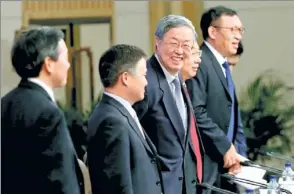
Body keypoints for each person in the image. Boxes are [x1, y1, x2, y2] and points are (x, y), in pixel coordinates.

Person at [1, 26, 84, 194]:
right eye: (65, 57)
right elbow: (61, 180)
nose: (68, 65)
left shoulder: (4, 104)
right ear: (49, 64)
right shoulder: (48, 113)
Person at [133, 15, 204, 194]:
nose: (180, 51)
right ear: (157, 41)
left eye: (187, 45)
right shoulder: (145, 81)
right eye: (174, 43)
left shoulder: (177, 77)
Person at [87, 44, 164, 194]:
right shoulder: (112, 121)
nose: (146, 82)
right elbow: (116, 186)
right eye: (143, 75)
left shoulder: (120, 112)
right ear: (126, 78)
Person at [186, 6, 247, 193]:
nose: (239, 36)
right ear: (213, 31)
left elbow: (232, 118)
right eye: (233, 30)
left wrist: (238, 155)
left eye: (241, 30)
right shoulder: (200, 62)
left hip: (227, 166)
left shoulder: (223, 65)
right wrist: (224, 146)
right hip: (207, 166)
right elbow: (196, 111)